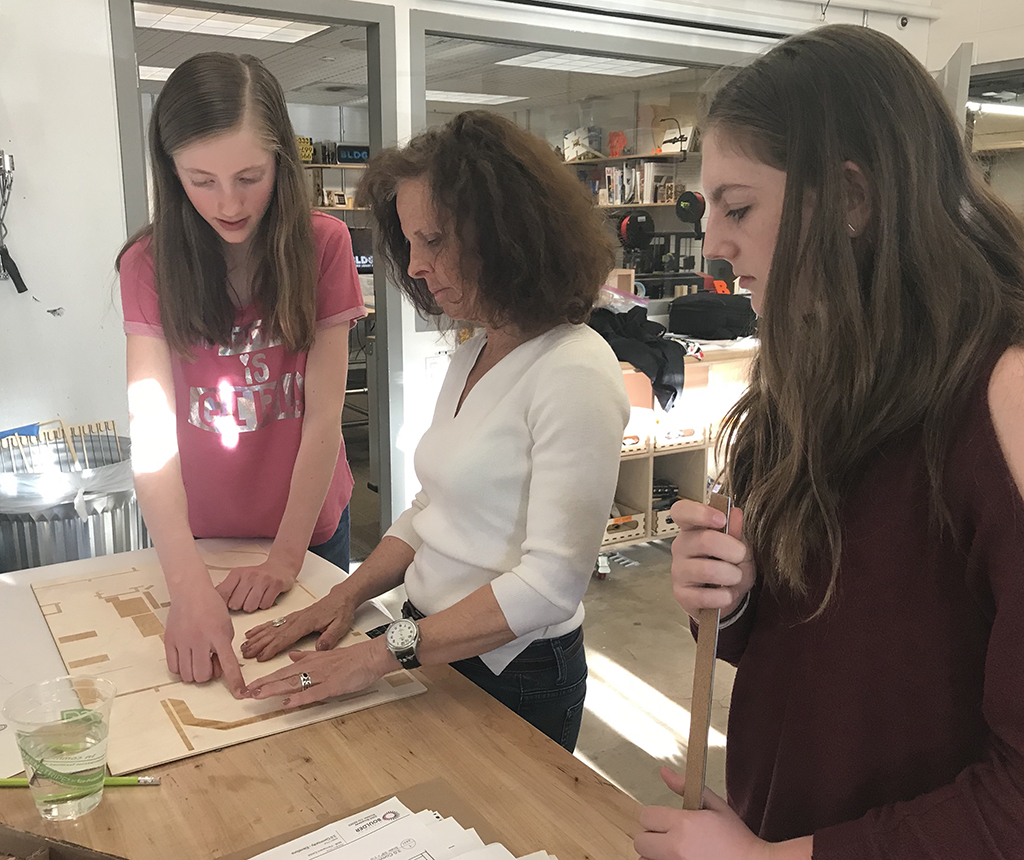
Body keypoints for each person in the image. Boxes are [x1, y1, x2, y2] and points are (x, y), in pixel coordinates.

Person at [633, 24, 1024, 860]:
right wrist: (736, 597)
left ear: (851, 199)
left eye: (739, 208)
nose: (715, 244)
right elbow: (840, 644)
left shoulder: (1004, 394)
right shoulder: (813, 380)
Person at [241, 110, 630, 752]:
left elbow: (552, 585)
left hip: (512, 668)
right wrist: (346, 595)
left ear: (507, 233)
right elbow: (431, 510)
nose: (417, 266)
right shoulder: (477, 349)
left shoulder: (575, 369)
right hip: (426, 639)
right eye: (410, 243)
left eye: (436, 239)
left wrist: (379, 655)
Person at [117, 53, 366, 698]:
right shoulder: (147, 263)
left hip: (306, 524)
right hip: (198, 530)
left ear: (282, 162)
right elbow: (152, 432)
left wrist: (286, 558)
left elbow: (322, 419)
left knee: (309, 700)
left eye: (250, 177)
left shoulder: (324, 244)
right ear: (171, 175)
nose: (228, 204)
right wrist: (186, 586)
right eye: (201, 181)